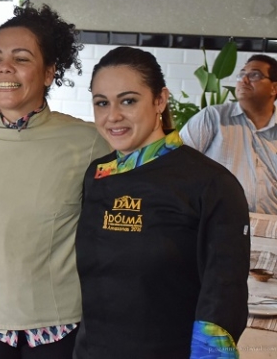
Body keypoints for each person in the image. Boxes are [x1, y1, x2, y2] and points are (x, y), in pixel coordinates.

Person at [0, 3, 110, 359]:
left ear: (49, 72)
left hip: (55, 322)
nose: (5, 67)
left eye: (21, 59)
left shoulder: (87, 140)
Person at [75, 46, 250, 359]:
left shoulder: (211, 184)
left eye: (128, 100)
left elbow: (224, 297)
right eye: (102, 103)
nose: (112, 116)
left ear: (160, 100)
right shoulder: (98, 174)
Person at [180, 54, 277, 213]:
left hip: (271, 224)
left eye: (254, 75)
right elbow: (176, 163)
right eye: (241, 74)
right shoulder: (213, 117)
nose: (244, 80)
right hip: (218, 221)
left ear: (274, 88)